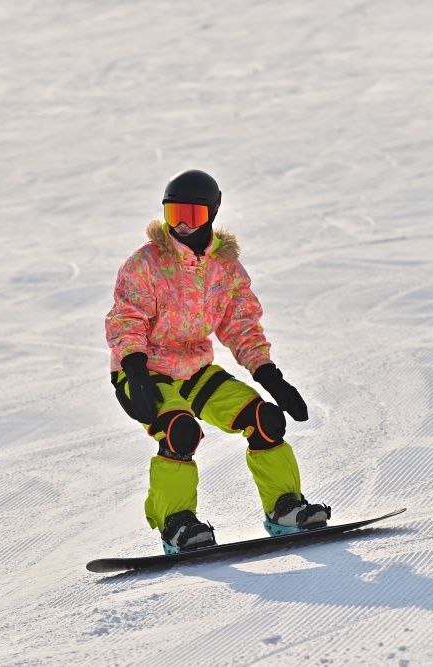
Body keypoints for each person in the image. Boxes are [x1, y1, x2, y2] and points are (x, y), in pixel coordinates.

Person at [105, 169, 330, 554]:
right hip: (143, 372)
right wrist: (136, 369)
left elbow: (242, 326)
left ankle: (284, 508)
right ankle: (176, 523)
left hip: (194, 371)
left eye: (190, 216)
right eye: (172, 213)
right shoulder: (145, 264)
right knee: (179, 430)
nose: (179, 225)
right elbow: (127, 318)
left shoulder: (224, 269)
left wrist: (270, 376)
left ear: (211, 213)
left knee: (265, 420)